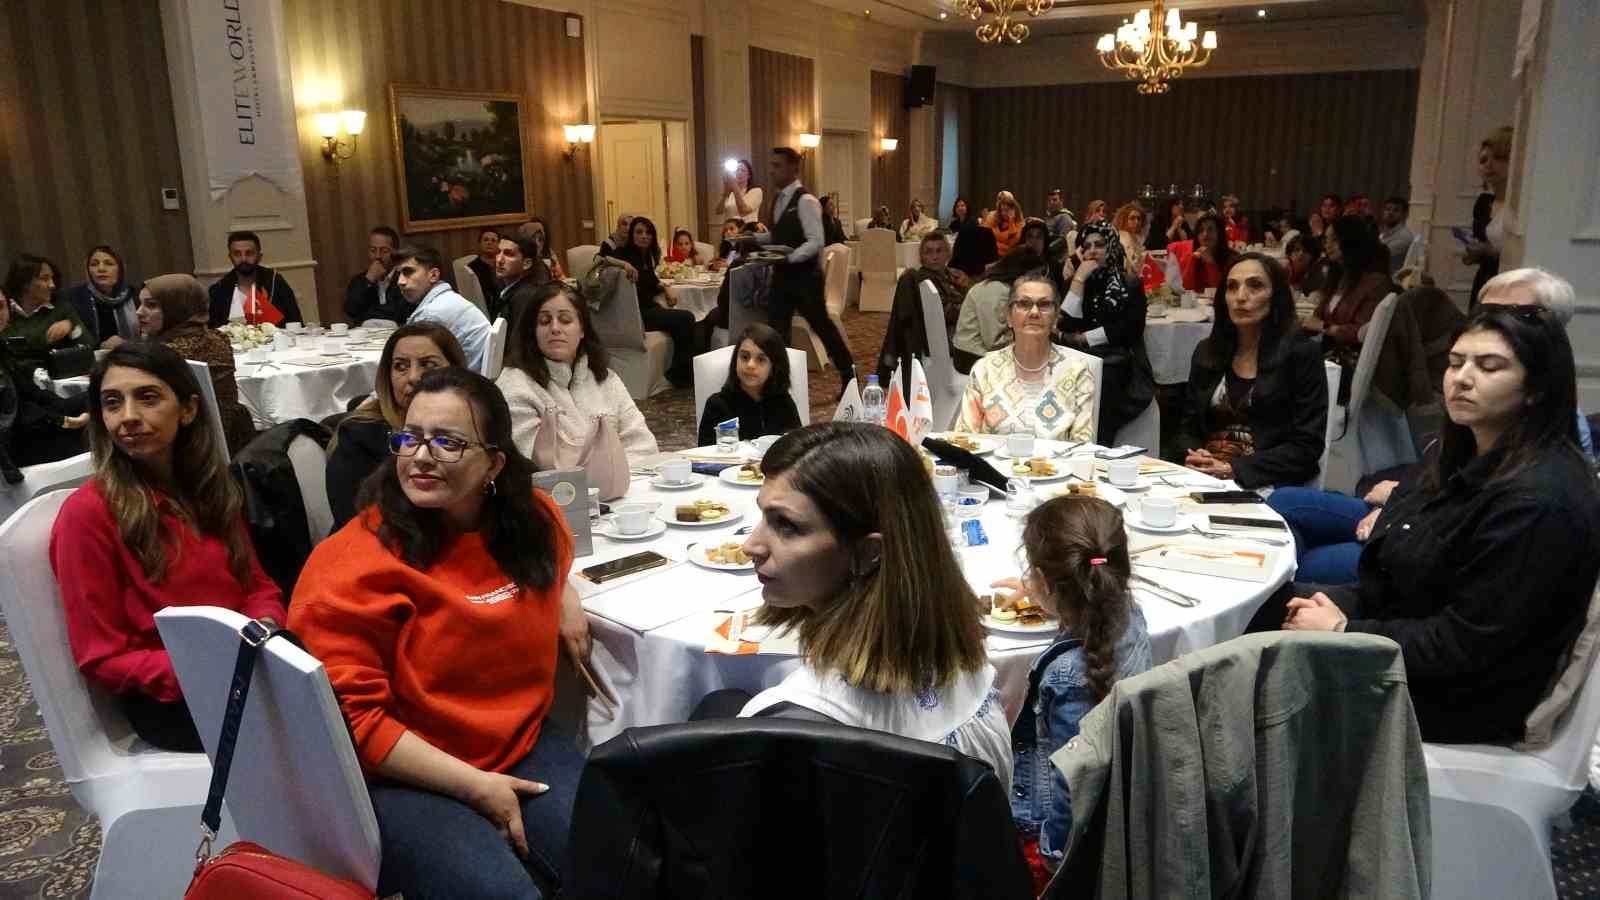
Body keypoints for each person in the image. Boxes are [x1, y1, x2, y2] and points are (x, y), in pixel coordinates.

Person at [290, 367, 588, 897]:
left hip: (519, 742)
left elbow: (554, 557)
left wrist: (566, 595)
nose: (421, 457)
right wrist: (476, 787)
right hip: (400, 774)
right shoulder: (349, 566)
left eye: (448, 442)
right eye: (410, 438)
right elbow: (352, 726)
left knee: (617, 861)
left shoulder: (533, 522)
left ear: (494, 463)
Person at [1268, 305, 1600, 745]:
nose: (1461, 378)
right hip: (1408, 645)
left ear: (1536, 388)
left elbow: (1464, 644)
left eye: (1489, 366)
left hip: (1455, 700)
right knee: (1262, 606)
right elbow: (1397, 580)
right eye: (1456, 362)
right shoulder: (1468, 455)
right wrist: (1336, 604)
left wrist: (1342, 631)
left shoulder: (1538, 500)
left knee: (1244, 674)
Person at [1268, 266, 1596, 584]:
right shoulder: (1472, 417)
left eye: (1508, 315)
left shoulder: (1546, 470)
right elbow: (1438, 473)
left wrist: (1397, 518)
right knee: (1283, 507)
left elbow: (1466, 535)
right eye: (1483, 313)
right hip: (1420, 519)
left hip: (1435, 547)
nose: (1487, 326)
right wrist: (1400, 504)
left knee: (1306, 562)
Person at [734, 422, 1011, 781]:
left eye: (786, 525)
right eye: (762, 516)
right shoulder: (964, 659)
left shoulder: (795, 724)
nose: (751, 546)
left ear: (868, 553)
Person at [50, 343, 286, 752]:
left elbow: (256, 586)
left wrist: (264, 628)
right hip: (173, 700)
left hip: (245, 664)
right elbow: (102, 656)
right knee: (336, 726)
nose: (127, 417)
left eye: (147, 397)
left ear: (188, 409)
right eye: (112, 403)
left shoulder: (210, 490)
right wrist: (214, 668)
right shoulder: (87, 514)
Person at [1003, 496, 1151, 887]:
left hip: (1057, 844)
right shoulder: (1130, 615)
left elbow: (1071, 785)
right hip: (1120, 807)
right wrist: (1043, 593)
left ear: (1043, 580)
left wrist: (1054, 861)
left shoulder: (1068, 674)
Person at [1176, 254, 1328, 488]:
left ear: (1276, 296)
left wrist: (1232, 469)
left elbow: (1306, 447)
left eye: (1255, 285)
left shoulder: (1301, 355)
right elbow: (1187, 428)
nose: (1240, 297)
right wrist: (1195, 454)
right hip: (1205, 476)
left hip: (1267, 480)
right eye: (1232, 287)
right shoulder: (1208, 351)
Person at [498, 282, 658, 463]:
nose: (555, 328)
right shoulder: (515, 385)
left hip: (627, 479)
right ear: (532, 331)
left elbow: (644, 445)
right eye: (544, 321)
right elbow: (537, 464)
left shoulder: (607, 379)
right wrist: (610, 465)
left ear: (582, 330)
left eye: (565, 320)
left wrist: (618, 473)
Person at [328, 323, 467, 529]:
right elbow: (357, 522)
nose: (413, 377)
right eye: (401, 366)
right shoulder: (359, 435)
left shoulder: (474, 428)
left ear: (457, 371)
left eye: (428, 365)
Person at [763, 147, 856, 394]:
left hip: (805, 279)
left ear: (793, 168)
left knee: (822, 327)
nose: (772, 171)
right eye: (771, 165)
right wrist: (754, 239)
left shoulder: (806, 201)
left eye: (777, 166)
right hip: (782, 277)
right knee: (777, 332)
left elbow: (816, 241)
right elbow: (777, 235)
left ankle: (849, 374)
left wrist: (790, 257)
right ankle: (780, 387)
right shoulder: (777, 200)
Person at [956, 275, 1094, 442]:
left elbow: (1083, 446)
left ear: (1056, 317)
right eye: (1024, 304)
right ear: (1009, 316)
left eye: (1044, 305)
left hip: (1058, 460)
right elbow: (964, 438)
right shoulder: (985, 369)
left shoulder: (1077, 370)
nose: (1034, 312)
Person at [136, 274, 257, 455]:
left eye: (151, 305)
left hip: (190, 446)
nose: (139, 312)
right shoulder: (217, 338)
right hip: (232, 441)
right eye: (140, 304)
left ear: (176, 308)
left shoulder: (166, 355)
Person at [1058, 221, 1156, 441]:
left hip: (1115, 359)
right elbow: (1066, 324)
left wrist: (1085, 337)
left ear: (1111, 247)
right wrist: (1079, 280)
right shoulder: (1075, 282)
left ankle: (1100, 446)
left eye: (1099, 245)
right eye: (1087, 246)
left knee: (1104, 381)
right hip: (1077, 358)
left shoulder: (1129, 284)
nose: (1092, 251)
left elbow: (1130, 330)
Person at [0, 284, 89, 469]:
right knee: (93, 440)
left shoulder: (3, 348)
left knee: (97, 395)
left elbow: (30, 393)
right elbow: (14, 414)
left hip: (30, 425)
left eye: (0, 306)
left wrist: (63, 408)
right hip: (11, 445)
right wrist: (63, 421)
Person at [604, 216, 697, 387]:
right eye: (639, 232)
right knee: (687, 318)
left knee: (686, 319)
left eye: (648, 233)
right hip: (637, 314)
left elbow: (652, 281)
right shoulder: (624, 253)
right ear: (632, 235)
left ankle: (682, 371)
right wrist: (624, 265)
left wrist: (665, 289)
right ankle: (681, 373)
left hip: (649, 308)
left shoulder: (645, 257)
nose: (644, 236)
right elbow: (602, 260)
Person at [875, 230, 971, 390]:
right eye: (929, 252)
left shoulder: (954, 275)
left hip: (960, 334)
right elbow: (947, 313)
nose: (935, 257)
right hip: (949, 342)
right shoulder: (922, 281)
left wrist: (966, 286)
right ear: (922, 257)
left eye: (939, 251)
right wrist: (969, 300)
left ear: (948, 254)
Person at [950, 241, 1049, 372]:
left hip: (981, 351)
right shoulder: (997, 291)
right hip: (971, 355)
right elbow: (994, 341)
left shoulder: (1005, 288)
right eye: (1035, 276)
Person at [697, 323, 802, 445]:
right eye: (745, 357)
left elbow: (799, 449)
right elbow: (703, 454)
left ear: (775, 367)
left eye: (761, 359)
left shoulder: (784, 403)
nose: (750, 365)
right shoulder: (717, 405)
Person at [397, 245, 492, 373]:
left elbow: (420, 368)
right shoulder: (447, 299)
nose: (400, 281)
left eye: (408, 272)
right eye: (399, 274)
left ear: (433, 275)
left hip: (464, 379)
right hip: (473, 376)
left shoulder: (432, 314)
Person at [1308, 216, 1393, 349]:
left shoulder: (1376, 282)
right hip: (1326, 348)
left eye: (1335, 239)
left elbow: (1361, 333)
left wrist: (1323, 326)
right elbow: (1317, 317)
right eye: (1326, 240)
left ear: (1352, 241)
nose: (1327, 245)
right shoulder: (1338, 274)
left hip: (1347, 355)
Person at [3, 254, 95, 375]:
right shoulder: (4, 308)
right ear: (25, 282)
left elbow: (89, 347)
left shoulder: (61, 307)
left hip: (55, 377)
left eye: (52, 278)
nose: (52, 285)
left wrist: (72, 327)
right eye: (44, 279)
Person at [206, 231, 302, 327]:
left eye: (249, 253)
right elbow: (213, 330)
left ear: (259, 256)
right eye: (237, 254)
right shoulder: (219, 290)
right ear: (230, 257)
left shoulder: (275, 282)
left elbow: (296, 322)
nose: (243, 259)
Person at [1466, 126, 1514, 308]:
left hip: (1510, 288)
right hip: (1484, 282)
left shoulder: (1521, 206)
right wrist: (1474, 255)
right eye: (1483, 160)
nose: (1489, 164)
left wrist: (1490, 252)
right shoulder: (1483, 203)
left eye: (1499, 158)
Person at [67, 245, 139, 349]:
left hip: (134, 355)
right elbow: (74, 341)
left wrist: (127, 344)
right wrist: (101, 346)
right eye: (94, 264)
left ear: (120, 269)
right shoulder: (75, 298)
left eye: (109, 263)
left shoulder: (135, 295)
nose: (101, 269)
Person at [345, 226, 409, 325]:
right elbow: (351, 310)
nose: (377, 256)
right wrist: (368, 280)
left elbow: (400, 313)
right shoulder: (359, 280)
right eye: (373, 250)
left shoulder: (405, 278)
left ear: (396, 252)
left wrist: (367, 314)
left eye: (384, 251)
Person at [1181, 212, 1236, 292]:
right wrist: (1192, 260)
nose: (1205, 234)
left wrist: (1210, 262)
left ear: (1219, 233)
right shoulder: (1192, 257)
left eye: (1210, 229)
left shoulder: (1232, 258)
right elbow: (1186, 288)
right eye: (1201, 230)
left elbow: (1221, 290)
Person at [1379, 197, 1416, 274]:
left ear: (1404, 215)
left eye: (1396, 210)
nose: (1390, 213)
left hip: (1388, 276)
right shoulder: (1385, 233)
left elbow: (1378, 255)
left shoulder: (1404, 237)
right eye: (1387, 209)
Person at [721, 159, 763, 225]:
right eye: (737, 170)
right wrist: (725, 193)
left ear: (749, 175)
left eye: (742, 170)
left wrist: (734, 186)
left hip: (747, 229)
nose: (739, 173)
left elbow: (744, 211)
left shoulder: (756, 191)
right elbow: (719, 211)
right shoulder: (731, 193)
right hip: (730, 229)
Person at [1110, 202, 1148, 277]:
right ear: (1124, 220)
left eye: (1139, 219)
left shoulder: (1138, 238)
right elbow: (1133, 267)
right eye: (1132, 218)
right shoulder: (1120, 239)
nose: (1136, 222)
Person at [987, 191, 1024, 258]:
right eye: (1002, 210)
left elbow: (1012, 245)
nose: (1003, 213)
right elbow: (985, 239)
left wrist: (1011, 221)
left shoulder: (1019, 223)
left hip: (1007, 258)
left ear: (1014, 210)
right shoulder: (992, 217)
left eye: (1007, 210)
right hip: (990, 254)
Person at [468, 227, 501, 302]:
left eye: (493, 240)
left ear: (498, 244)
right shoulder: (471, 268)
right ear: (480, 243)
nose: (489, 243)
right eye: (486, 240)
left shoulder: (504, 263)